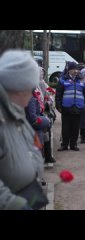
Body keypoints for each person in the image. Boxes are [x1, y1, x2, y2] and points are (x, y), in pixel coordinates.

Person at [0, 50, 47, 210]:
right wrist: (15, 204)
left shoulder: (17, 112)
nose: (33, 94)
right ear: (20, 88)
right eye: (31, 88)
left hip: (27, 193)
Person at [55, 62, 85, 151]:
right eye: (74, 69)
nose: (76, 71)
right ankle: (64, 145)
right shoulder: (62, 79)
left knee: (75, 127)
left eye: (77, 69)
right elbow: (58, 94)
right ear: (69, 70)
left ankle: (73, 145)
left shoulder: (82, 80)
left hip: (78, 107)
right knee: (65, 127)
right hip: (66, 107)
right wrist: (58, 105)